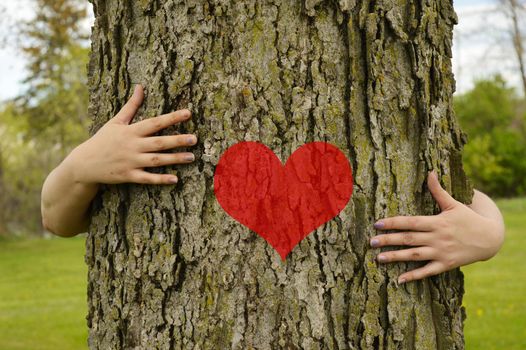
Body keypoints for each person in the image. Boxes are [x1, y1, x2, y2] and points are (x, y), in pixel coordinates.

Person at [41, 85, 505, 284]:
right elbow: (57, 219)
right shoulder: (114, 152)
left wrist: (489, 233)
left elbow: (462, 195)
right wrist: (79, 166)